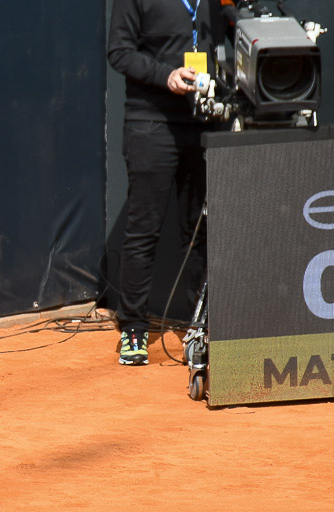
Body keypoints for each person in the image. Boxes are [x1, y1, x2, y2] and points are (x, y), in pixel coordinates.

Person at [107, 0, 224, 365]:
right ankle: (134, 330)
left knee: (201, 231)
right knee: (144, 229)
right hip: (151, 123)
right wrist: (165, 75)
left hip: (206, 121)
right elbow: (119, 51)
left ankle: (202, 327)